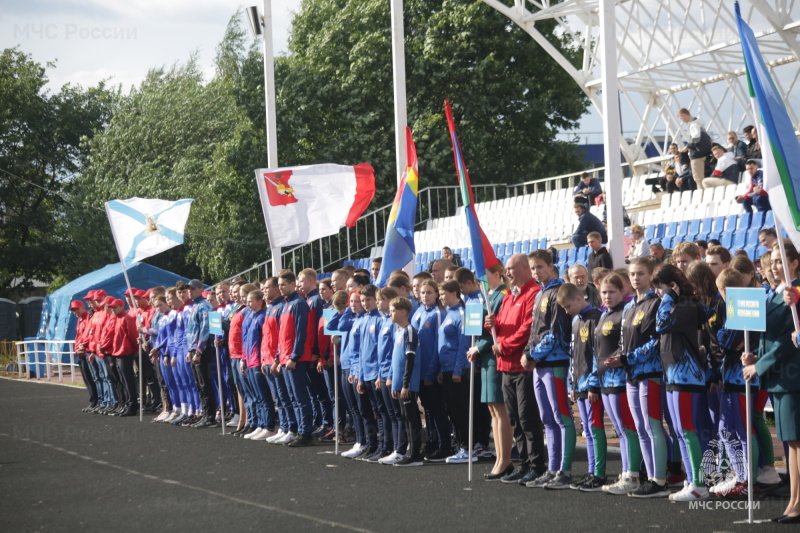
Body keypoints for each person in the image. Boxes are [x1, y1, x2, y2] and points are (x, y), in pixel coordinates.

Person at [746, 242, 800, 522]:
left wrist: (760, 365)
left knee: (796, 442)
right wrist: (755, 355)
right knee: (791, 442)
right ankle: (794, 501)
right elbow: (772, 337)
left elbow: (789, 341)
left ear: (794, 263)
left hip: (793, 376)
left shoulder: (796, 292)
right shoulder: (778, 293)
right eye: (773, 261)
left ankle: (798, 503)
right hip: (781, 379)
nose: (775, 266)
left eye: (781, 261)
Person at [653, 264, 714, 501]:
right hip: (673, 375)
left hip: (686, 376)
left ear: (674, 286)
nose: (658, 293)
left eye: (661, 287)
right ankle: (691, 480)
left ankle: (699, 484)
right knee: (679, 431)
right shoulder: (678, 305)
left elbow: (661, 325)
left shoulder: (687, 306)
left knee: (687, 431)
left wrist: (667, 298)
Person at [484, 253, 546, 484]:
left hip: (523, 365)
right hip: (506, 364)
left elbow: (529, 327)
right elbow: (502, 324)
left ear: (524, 269)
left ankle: (537, 465)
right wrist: (492, 323)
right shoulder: (509, 295)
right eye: (507, 269)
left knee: (527, 418)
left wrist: (504, 346)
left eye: (510, 269)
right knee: (514, 419)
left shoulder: (532, 293)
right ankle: (524, 464)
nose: (507, 273)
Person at [613, 257, 671, 498]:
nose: (636, 278)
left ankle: (660, 480)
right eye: (633, 274)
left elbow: (656, 341)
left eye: (641, 274)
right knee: (639, 427)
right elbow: (623, 340)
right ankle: (649, 476)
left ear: (651, 276)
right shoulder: (628, 307)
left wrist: (629, 358)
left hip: (650, 373)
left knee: (652, 425)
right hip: (631, 375)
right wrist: (619, 356)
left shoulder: (657, 303)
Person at [523, 249, 575, 489]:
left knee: (561, 418)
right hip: (539, 364)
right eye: (533, 268)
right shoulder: (539, 294)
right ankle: (552, 468)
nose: (536, 272)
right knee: (547, 420)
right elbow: (535, 331)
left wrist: (531, 355)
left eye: (540, 267)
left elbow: (555, 334)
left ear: (551, 266)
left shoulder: (558, 292)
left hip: (554, 363)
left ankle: (564, 471)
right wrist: (529, 353)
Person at [713, 268, 762, 498]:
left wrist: (725, 337)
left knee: (743, 430)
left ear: (723, 290)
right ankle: (740, 475)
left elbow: (726, 338)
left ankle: (748, 480)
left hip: (743, 377)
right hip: (730, 377)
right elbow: (725, 339)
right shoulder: (729, 309)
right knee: (725, 430)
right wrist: (725, 338)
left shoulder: (741, 307)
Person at [594, 274, 643, 496]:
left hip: (621, 379)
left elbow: (627, 343)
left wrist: (617, 358)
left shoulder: (625, 313)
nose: (608, 296)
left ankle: (633, 475)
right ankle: (625, 473)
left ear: (622, 291)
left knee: (628, 429)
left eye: (612, 291)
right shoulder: (605, 314)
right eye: (604, 292)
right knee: (621, 431)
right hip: (605, 380)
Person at [557, 283, 607, 491]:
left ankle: (599, 473)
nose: (567, 311)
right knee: (586, 430)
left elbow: (597, 355)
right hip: (578, 384)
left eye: (568, 306)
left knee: (595, 428)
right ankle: (590, 471)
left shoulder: (595, 318)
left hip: (591, 385)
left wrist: (594, 384)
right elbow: (573, 355)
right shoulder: (576, 320)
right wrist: (571, 383)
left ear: (579, 298)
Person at [459, 266, 504, 465]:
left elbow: (499, 331)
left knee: (498, 410)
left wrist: (478, 346)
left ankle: (503, 457)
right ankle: (500, 455)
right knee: (492, 409)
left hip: (494, 357)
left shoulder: (501, 295)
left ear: (497, 274)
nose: (480, 282)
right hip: (486, 359)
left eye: (485, 277)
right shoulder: (489, 296)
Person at [411, 280, 450, 463]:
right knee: (427, 409)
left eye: (429, 292)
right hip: (419, 369)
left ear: (436, 294)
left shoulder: (438, 314)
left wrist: (433, 371)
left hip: (431, 371)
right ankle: (432, 441)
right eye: (422, 292)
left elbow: (437, 346)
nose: (425, 295)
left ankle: (445, 444)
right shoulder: (418, 312)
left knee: (437, 410)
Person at [276, 271, 315, 447]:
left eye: (283, 284)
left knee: (300, 397)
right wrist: (279, 358)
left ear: (293, 284)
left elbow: (301, 334)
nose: (280, 287)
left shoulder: (299, 304)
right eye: (279, 284)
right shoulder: (286, 304)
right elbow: (282, 335)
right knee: (293, 397)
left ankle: (305, 433)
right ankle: (299, 431)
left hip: (296, 359)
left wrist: (294, 357)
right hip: (285, 358)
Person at [437, 280, 473, 464]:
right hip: (448, 369)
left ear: (454, 293)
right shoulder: (448, 313)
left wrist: (458, 369)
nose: (440, 297)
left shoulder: (461, 313)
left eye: (443, 293)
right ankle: (461, 445)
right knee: (452, 410)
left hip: (458, 371)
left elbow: (463, 345)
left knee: (460, 410)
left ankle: (468, 447)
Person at [389, 297, 424, 467]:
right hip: (400, 383)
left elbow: (410, 359)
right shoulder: (398, 331)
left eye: (393, 310)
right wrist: (395, 383)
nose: (390, 313)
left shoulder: (410, 331)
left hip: (408, 383)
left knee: (412, 418)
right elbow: (397, 360)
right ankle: (412, 450)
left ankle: (415, 454)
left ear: (403, 312)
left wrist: (405, 384)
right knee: (404, 416)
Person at [375, 287, 406, 465]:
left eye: (381, 299)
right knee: (390, 413)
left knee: (396, 414)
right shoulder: (385, 321)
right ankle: (393, 447)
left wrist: (392, 376)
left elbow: (396, 353)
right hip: (384, 372)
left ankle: (400, 449)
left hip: (392, 374)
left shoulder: (395, 325)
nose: (378, 303)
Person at [241, 289, 277, 441]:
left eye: (250, 301)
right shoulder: (249, 315)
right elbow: (245, 339)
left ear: (259, 301)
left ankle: (268, 426)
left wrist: (262, 359)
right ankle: (261, 424)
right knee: (256, 396)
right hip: (249, 359)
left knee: (263, 395)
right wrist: (243, 359)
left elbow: (264, 340)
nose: (248, 303)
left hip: (258, 360)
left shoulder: (262, 316)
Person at [71, 299, 97, 412]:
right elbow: (79, 337)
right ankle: (93, 400)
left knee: (93, 378)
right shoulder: (80, 320)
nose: (75, 311)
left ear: (83, 308)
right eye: (73, 310)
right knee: (87, 378)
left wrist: (83, 347)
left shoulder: (88, 317)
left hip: (86, 351)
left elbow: (88, 335)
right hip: (81, 352)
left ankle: (96, 401)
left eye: (77, 309)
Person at [678, 108, 712, 189]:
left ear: (683, 115)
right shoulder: (700, 125)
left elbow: (696, 138)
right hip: (705, 152)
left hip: (696, 155)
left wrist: (687, 147)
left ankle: (702, 195)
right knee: (704, 176)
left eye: (681, 118)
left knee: (698, 178)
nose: (681, 120)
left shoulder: (693, 125)